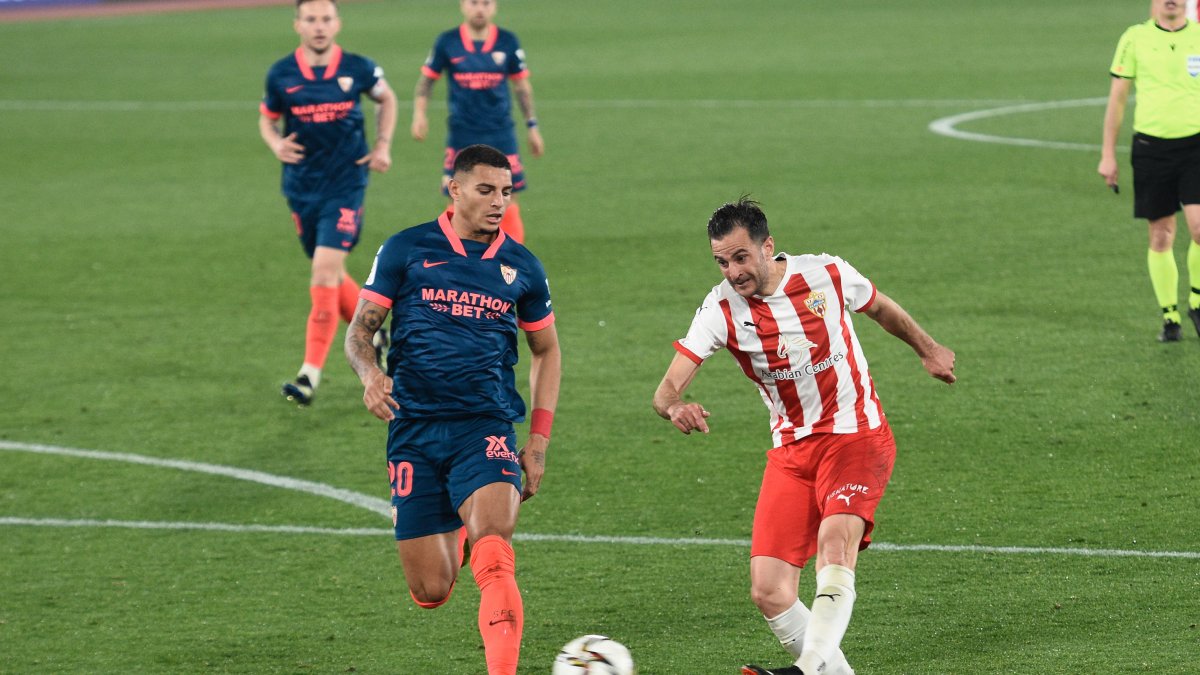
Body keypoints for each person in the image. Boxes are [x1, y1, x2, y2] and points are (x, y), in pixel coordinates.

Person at [651, 198, 956, 675]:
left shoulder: (827, 274)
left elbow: (881, 309)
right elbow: (665, 389)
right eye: (721, 261)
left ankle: (808, 668)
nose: (732, 272)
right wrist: (675, 407)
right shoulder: (722, 308)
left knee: (836, 544)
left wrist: (929, 348)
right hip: (792, 452)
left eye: (740, 257)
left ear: (767, 247)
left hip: (856, 435)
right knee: (769, 590)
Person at [344, 144, 560, 675]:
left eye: (506, 192)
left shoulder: (521, 267)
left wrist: (537, 442)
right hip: (413, 430)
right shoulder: (406, 249)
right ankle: (455, 526)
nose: (498, 203)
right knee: (431, 591)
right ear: (455, 188)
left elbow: (546, 350)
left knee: (494, 549)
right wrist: (370, 374)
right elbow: (360, 331)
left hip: (485, 427)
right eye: (486, 190)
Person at [259, 0, 398, 404]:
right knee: (332, 275)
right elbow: (267, 116)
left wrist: (383, 145)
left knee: (323, 272)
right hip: (302, 187)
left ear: (336, 23)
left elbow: (386, 99)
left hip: (346, 184)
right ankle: (378, 332)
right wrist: (274, 143)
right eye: (310, 19)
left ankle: (309, 375)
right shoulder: (281, 74)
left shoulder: (357, 67)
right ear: (297, 25)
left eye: (325, 19)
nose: (318, 26)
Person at [1098, 0, 1200, 342]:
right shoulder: (1135, 38)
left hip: (1197, 146)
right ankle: (1170, 317)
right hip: (1151, 150)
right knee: (1161, 236)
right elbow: (1117, 99)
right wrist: (1108, 155)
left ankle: (1198, 302)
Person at [410, 0, 544, 243]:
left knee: (508, 197)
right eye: (474, 2)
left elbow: (521, 86)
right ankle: (461, 261)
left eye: (486, 3)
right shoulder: (447, 42)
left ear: (495, 6)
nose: (479, 8)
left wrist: (532, 126)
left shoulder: (507, 41)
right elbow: (427, 81)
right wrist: (419, 114)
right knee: (458, 197)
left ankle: (511, 263)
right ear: (463, 5)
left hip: (500, 133)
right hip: (462, 134)